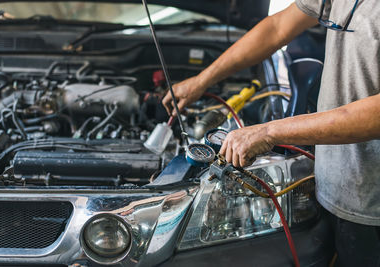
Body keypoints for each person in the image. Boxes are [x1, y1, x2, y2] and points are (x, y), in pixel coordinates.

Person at [162, 0, 380, 266]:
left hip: (372, 212)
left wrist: (269, 131)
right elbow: (277, 27)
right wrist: (202, 80)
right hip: (331, 188)